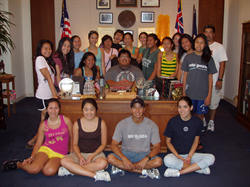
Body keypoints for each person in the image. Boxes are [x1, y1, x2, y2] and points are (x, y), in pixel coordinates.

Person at [2, 99, 73, 176]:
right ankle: (18, 164)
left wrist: (72, 153)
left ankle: (41, 164)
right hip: (46, 149)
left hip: (60, 153)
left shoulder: (66, 120)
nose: (53, 111)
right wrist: (32, 157)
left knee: (49, 172)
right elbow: (38, 144)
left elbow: (73, 137)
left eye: (56, 108)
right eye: (50, 108)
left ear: (59, 109)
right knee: (34, 169)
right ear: (47, 109)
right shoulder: (43, 125)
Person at [107, 98, 163, 179]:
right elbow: (113, 145)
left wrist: (145, 159)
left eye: (140, 108)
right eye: (134, 108)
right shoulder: (122, 124)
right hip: (126, 154)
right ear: (130, 109)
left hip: (143, 155)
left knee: (158, 162)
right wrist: (124, 159)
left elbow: (157, 147)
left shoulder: (152, 125)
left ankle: (121, 167)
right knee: (110, 158)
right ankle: (144, 171)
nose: (137, 111)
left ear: (144, 109)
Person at [58, 98, 111, 182]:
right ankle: (95, 175)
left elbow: (103, 144)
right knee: (64, 161)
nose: (89, 112)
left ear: (96, 109)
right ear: (82, 110)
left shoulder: (102, 123)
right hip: (80, 153)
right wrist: (79, 156)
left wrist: (93, 155)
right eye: (86, 109)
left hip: (96, 153)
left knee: (103, 163)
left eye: (91, 109)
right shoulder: (77, 124)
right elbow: (75, 144)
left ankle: (71, 170)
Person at [163, 96, 215, 177]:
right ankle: (198, 168)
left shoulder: (197, 122)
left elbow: (196, 141)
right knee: (167, 160)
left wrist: (189, 156)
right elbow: (168, 142)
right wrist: (178, 156)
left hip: (190, 155)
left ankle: (178, 172)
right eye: (179, 107)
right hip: (175, 155)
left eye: (185, 107)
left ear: (191, 107)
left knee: (211, 158)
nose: (182, 110)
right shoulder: (172, 122)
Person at [181, 34, 217, 150]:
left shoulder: (209, 59)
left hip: (202, 94)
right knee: (188, 116)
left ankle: (198, 141)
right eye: (197, 42)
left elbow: (210, 78)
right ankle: (188, 139)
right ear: (193, 43)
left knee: (199, 118)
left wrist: (209, 95)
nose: (199, 45)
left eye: (202, 43)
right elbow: (185, 75)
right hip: (190, 93)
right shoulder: (188, 57)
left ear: (205, 45)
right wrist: (183, 92)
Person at [27, 39, 58, 148]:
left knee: (43, 121)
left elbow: (51, 79)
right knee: (47, 121)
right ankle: (37, 142)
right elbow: (48, 78)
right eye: (45, 48)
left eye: (50, 48)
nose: (48, 50)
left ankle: (34, 141)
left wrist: (54, 93)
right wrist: (54, 94)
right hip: (43, 96)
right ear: (40, 49)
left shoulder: (46, 60)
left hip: (47, 95)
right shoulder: (40, 59)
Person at [203, 25, 228, 132]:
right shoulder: (200, 45)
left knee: (213, 103)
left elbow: (222, 64)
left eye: (210, 32)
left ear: (213, 34)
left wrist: (220, 79)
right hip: (202, 81)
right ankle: (203, 119)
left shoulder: (219, 47)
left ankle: (211, 121)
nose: (208, 34)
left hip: (214, 81)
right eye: (206, 32)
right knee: (202, 103)